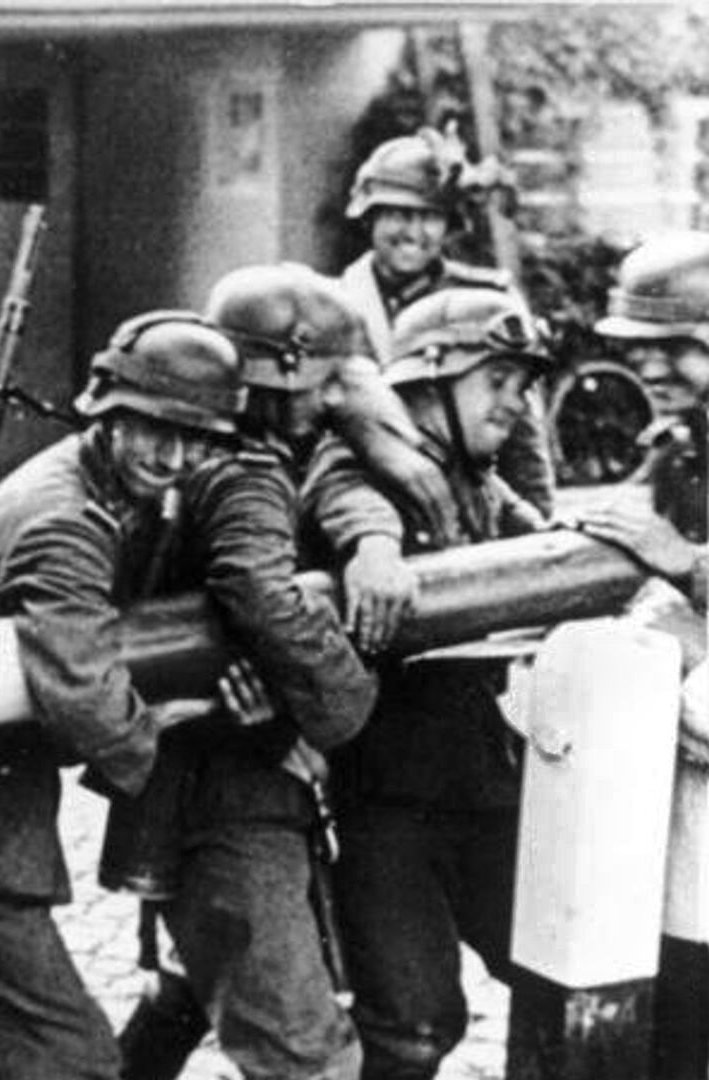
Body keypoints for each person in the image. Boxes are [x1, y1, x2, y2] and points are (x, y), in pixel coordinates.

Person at [111, 267, 380, 1080]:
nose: (322, 402)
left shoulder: (310, 456)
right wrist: (339, 716)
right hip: (226, 794)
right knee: (302, 1053)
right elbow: (256, 600)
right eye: (326, 382)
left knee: (187, 991)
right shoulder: (230, 471)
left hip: (251, 773)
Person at [303, 287, 554, 1080]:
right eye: (499, 380)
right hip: (390, 810)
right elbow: (344, 496)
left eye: (524, 385)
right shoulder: (370, 466)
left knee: (559, 962)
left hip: (487, 795)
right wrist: (373, 551)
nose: (517, 404)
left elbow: (541, 543)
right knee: (412, 1022)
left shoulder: (475, 479)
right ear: (428, 380)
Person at [573, 231, 709, 1079]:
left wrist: (687, 563)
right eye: (638, 348)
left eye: (670, 346)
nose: (650, 366)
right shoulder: (681, 448)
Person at [338, 129, 556, 516]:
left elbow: (521, 434)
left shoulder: (486, 300)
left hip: (469, 503)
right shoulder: (340, 304)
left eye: (430, 217)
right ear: (370, 218)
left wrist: (537, 526)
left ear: (449, 225)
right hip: (368, 501)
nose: (413, 232)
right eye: (396, 213)